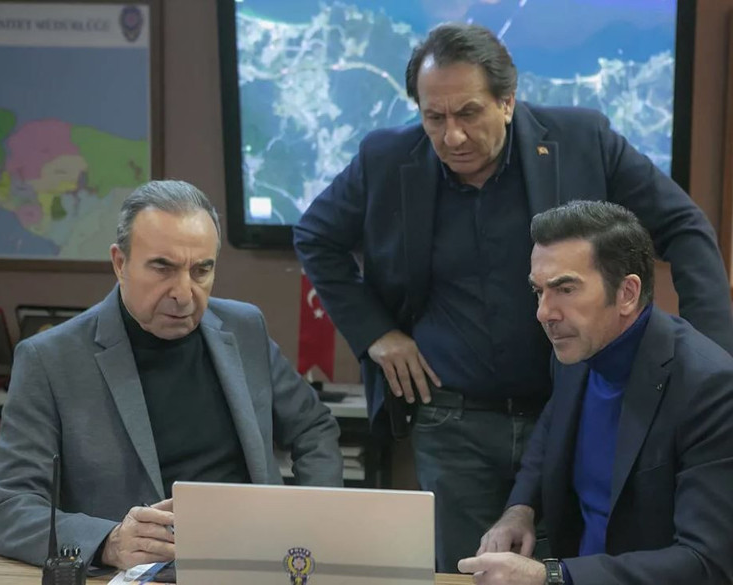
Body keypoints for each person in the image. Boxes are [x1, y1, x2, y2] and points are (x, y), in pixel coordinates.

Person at [293, 22, 733, 572]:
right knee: (469, 571)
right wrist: (376, 333)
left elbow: (684, 227)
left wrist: (713, 364)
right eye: (434, 117)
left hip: (569, 407)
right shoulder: (386, 157)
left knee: (573, 561)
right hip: (453, 419)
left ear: (507, 101)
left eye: (468, 113)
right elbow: (315, 235)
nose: (453, 136)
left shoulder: (582, 139)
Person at [0, 180, 343, 572]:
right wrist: (109, 542)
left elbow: (314, 429)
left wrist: (310, 521)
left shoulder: (244, 328)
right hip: (135, 575)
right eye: (163, 268)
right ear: (120, 263)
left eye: (201, 270)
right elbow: (7, 509)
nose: (184, 294)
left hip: (254, 565)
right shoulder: (50, 359)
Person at [458, 200, 733, 585]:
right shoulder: (576, 350)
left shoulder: (711, 388)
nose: (544, 312)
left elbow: (705, 563)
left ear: (627, 293)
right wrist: (520, 508)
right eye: (539, 291)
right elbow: (551, 429)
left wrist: (553, 576)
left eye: (565, 289)